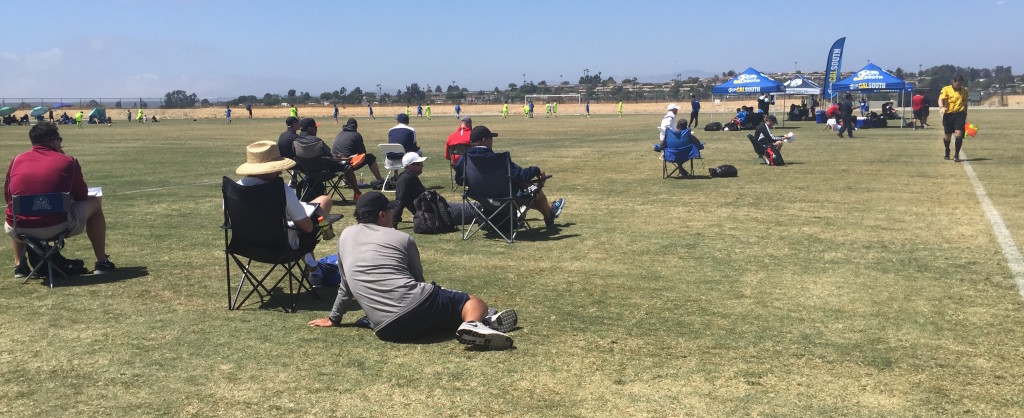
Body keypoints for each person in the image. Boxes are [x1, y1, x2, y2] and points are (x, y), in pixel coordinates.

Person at [307, 192, 518, 349]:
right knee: (473, 301)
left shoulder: (345, 236)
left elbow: (346, 286)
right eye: (390, 211)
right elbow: (418, 280)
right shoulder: (402, 238)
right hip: (414, 307)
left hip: (387, 329)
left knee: (440, 310)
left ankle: (486, 320)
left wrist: (334, 319)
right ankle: (475, 322)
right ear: (381, 215)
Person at [5, 122, 115, 277]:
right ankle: (102, 262)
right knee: (95, 204)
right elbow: (82, 195)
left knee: (17, 210)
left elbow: (8, 197)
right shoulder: (69, 161)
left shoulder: (17, 160)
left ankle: (20, 266)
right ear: (55, 141)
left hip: (19, 229)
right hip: (57, 226)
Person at [233, 140, 331, 285]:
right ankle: (314, 269)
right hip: (282, 247)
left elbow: (230, 218)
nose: (280, 172)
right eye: (275, 168)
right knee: (323, 204)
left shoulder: (235, 188)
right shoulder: (279, 189)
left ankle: (314, 268)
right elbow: (307, 227)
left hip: (246, 246)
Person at [455, 126, 565, 228]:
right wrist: (537, 170)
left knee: (525, 190)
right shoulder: (498, 160)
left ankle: (550, 208)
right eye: (491, 139)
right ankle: (549, 215)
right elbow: (522, 175)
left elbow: (459, 180)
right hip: (505, 200)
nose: (492, 142)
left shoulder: (463, 160)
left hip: (482, 199)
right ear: (485, 140)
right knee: (534, 188)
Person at [391, 153, 476, 226]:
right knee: (476, 208)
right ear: (410, 166)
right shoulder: (405, 179)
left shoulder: (408, 177)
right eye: (419, 164)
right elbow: (400, 201)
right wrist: (393, 223)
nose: (422, 166)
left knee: (475, 207)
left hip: (437, 208)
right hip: (438, 213)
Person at [294, 118, 362, 200]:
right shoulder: (317, 141)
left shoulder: (295, 142)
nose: (316, 130)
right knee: (347, 166)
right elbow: (331, 157)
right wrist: (345, 158)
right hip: (323, 173)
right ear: (309, 128)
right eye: (315, 128)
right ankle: (357, 193)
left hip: (306, 173)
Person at [332, 118, 384, 185]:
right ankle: (379, 179)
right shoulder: (356, 135)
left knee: (344, 158)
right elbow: (363, 153)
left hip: (335, 164)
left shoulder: (340, 133)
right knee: (370, 157)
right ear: (356, 126)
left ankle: (344, 180)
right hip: (347, 164)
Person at [939, 73, 968, 162]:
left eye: (961, 84)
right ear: (954, 82)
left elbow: (965, 103)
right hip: (948, 114)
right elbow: (940, 99)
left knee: (958, 134)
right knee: (947, 136)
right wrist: (941, 107)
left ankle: (956, 155)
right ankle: (947, 150)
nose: (959, 86)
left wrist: (965, 113)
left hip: (959, 114)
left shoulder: (964, 90)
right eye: (958, 84)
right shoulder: (946, 89)